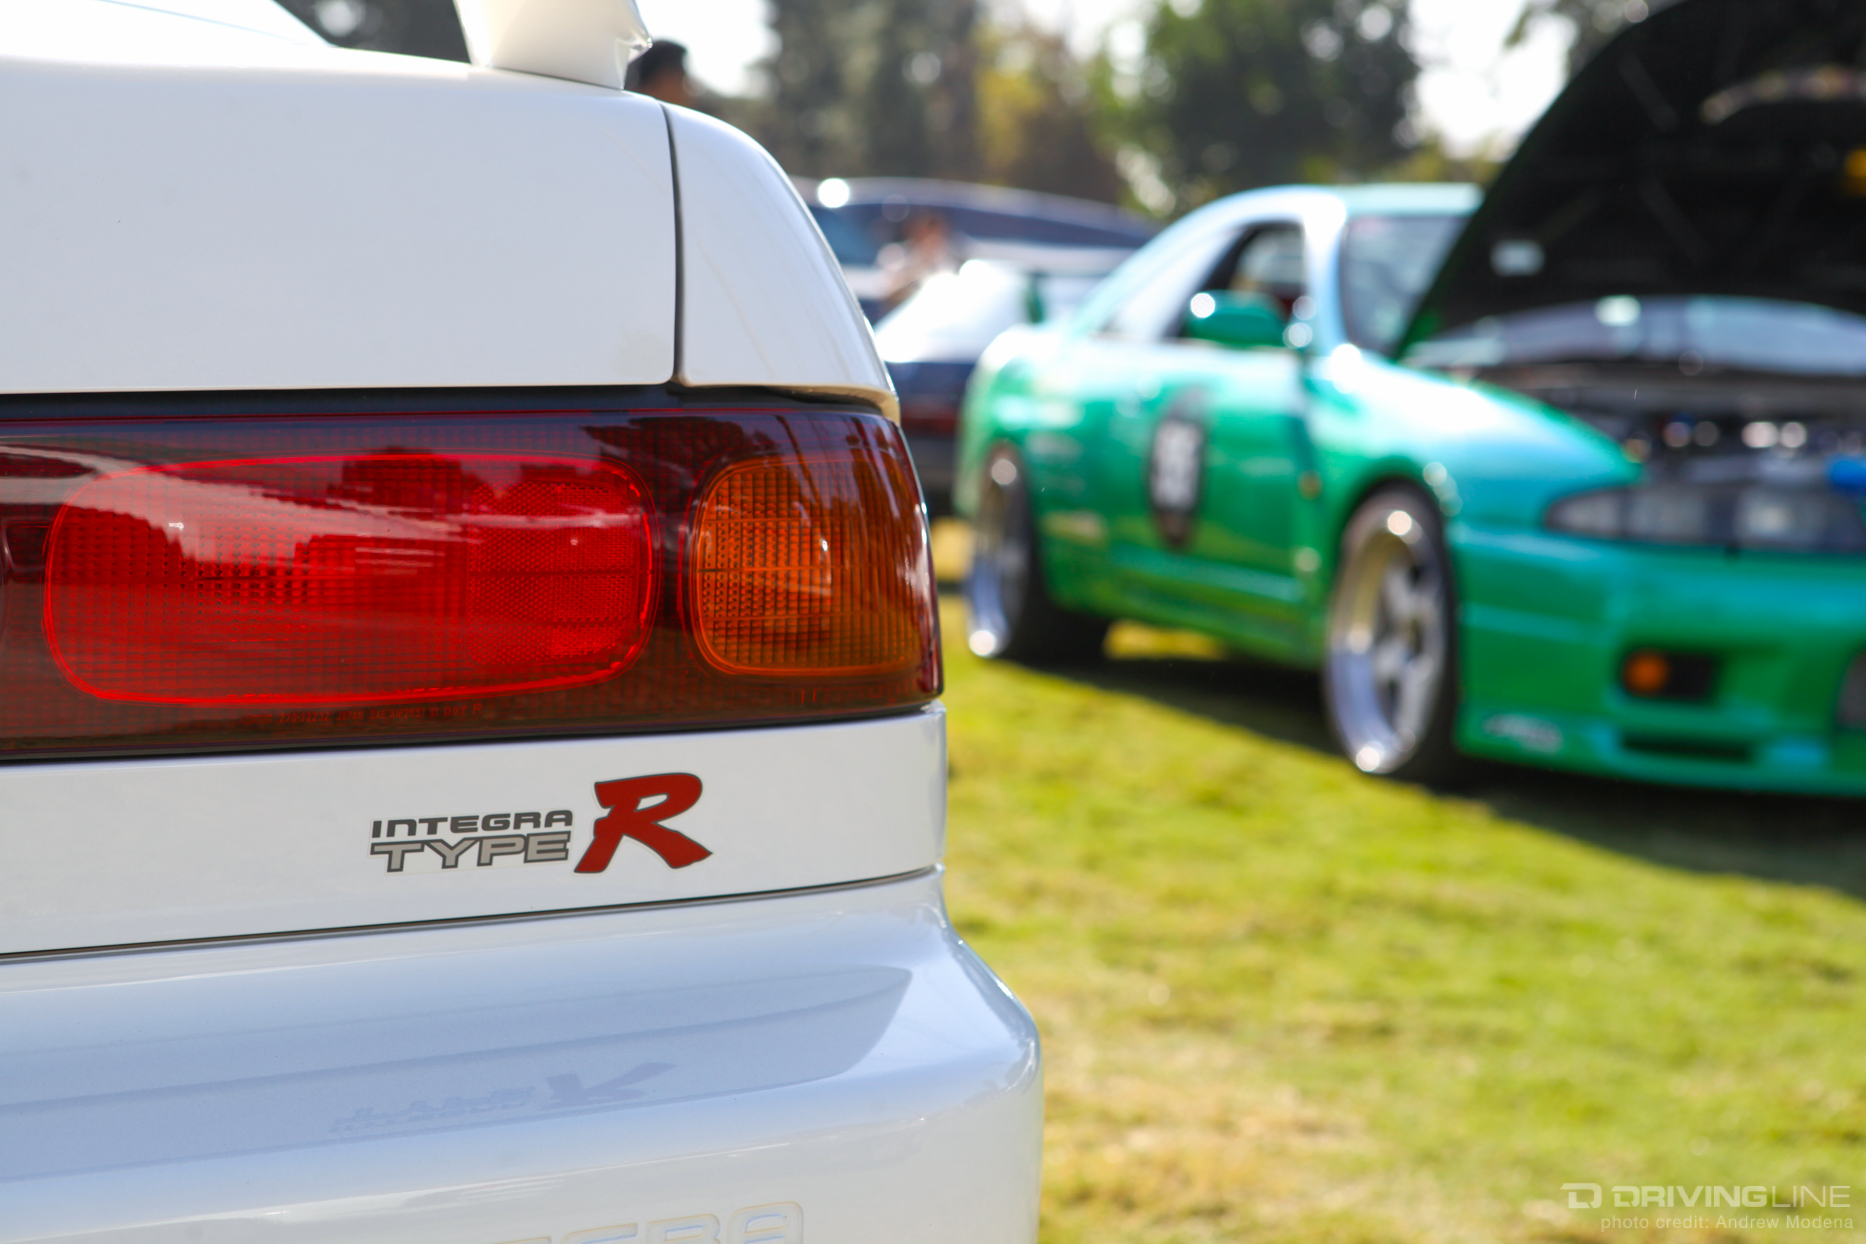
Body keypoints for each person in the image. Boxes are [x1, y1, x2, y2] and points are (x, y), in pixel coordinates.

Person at [626, 39, 694, 108]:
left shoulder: (628, 105)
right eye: (681, 78)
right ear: (663, 78)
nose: (687, 88)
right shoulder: (631, 109)